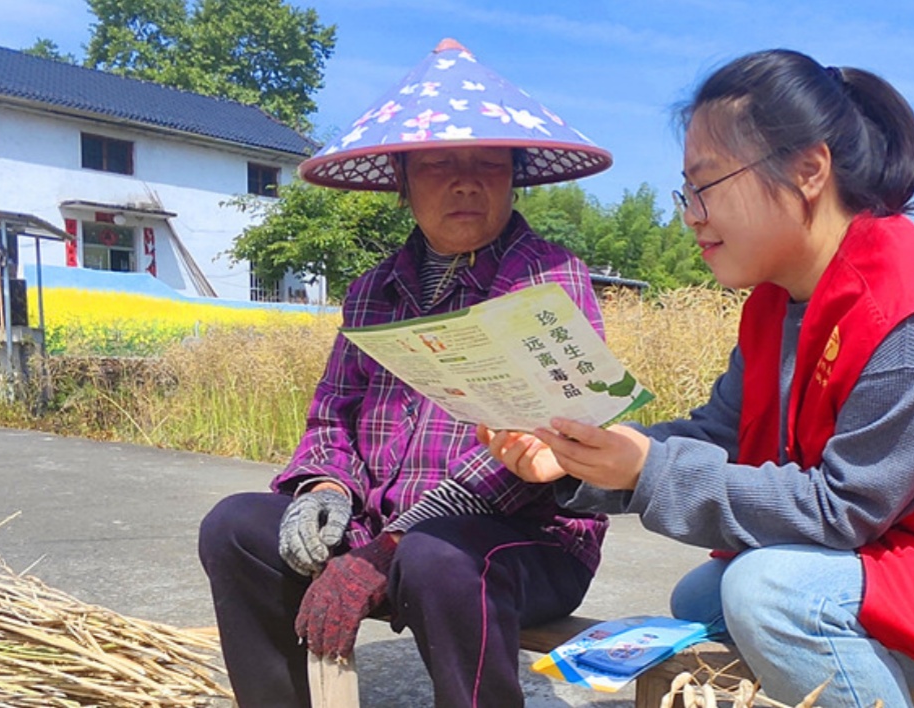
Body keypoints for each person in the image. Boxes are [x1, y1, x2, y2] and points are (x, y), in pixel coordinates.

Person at [483, 49, 914, 708]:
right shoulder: (776, 304)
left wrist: (646, 472)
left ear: (809, 169)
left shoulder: (913, 316)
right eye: (685, 190)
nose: (690, 214)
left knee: (768, 597)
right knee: (703, 596)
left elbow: (840, 511)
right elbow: (719, 436)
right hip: (912, 557)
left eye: (706, 185)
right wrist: (577, 458)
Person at [198, 38, 614, 708]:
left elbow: (539, 444)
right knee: (236, 526)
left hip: (521, 540)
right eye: (440, 164)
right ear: (401, 180)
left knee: (436, 558)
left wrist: (389, 548)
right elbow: (333, 412)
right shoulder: (373, 290)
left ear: (514, 176)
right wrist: (326, 488)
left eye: (488, 163)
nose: (466, 180)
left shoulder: (547, 276)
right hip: (379, 527)